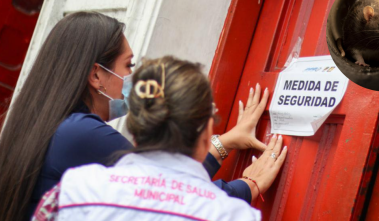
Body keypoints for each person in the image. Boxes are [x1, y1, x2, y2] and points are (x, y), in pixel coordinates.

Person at [0, 12, 274, 221]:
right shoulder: (80, 133)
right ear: (96, 75)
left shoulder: (60, 129)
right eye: (128, 65)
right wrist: (248, 185)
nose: (134, 79)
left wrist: (222, 144)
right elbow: (168, 195)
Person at [32, 56, 287, 221]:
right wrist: (248, 184)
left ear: (135, 127)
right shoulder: (235, 215)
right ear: (207, 131)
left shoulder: (73, 190)